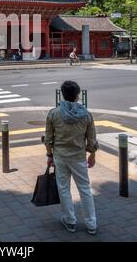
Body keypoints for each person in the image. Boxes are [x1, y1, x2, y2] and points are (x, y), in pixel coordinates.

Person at [44, 80, 99, 235]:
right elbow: (92, 138)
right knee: (85, 190)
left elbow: (48, 139)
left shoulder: (54, 113)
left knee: (64, 189)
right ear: (77, 95)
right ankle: (91, 224)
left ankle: (70, 221)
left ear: (62, 94)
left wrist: (49, 155)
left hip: (60, 157)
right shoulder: (86, 115)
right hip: (79, 157)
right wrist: (92, 154)